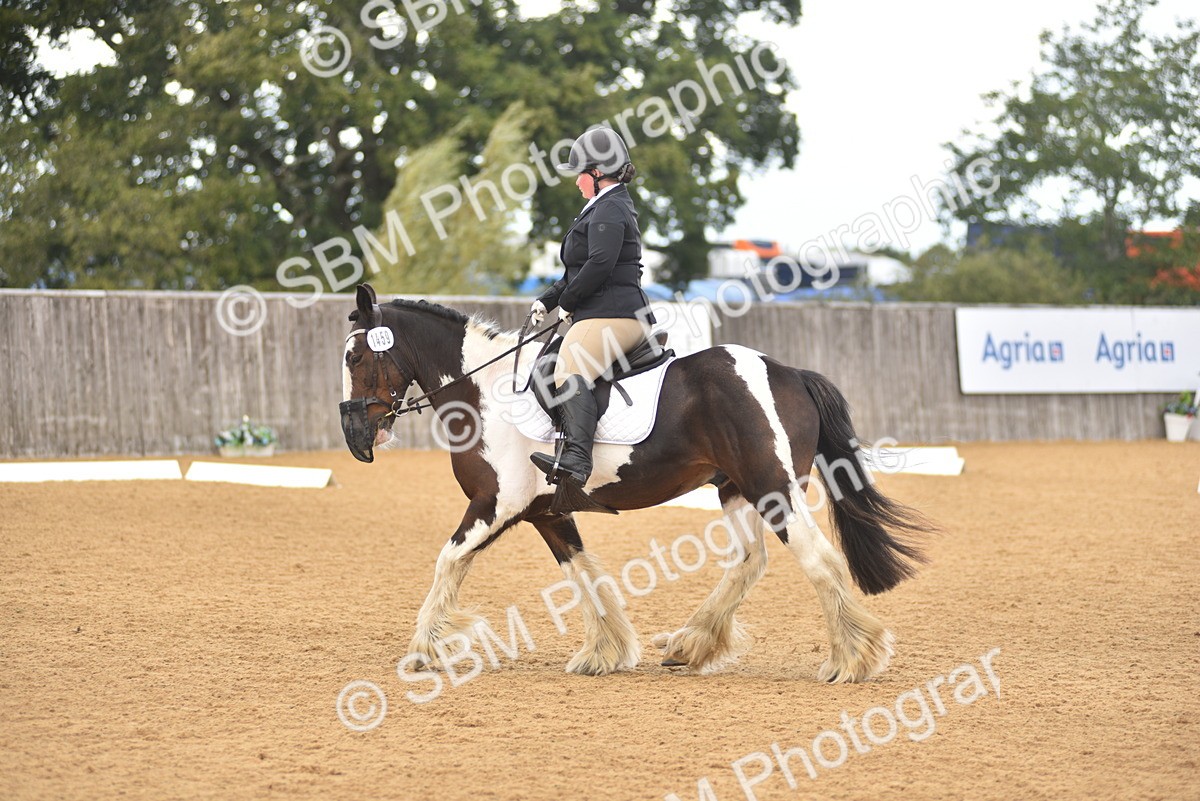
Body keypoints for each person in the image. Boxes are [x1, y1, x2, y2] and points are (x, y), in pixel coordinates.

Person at [528, 126, 656, 514]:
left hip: (617, 313)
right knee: (541, 369)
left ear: (598, 172)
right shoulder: (600, 207)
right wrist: (549, 300)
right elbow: (576, 270)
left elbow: (600, 264)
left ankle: (578, 463)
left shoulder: (611, 208)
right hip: (600, 311)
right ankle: (568, 440)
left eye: (580, 173)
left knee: (568, 369)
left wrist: (569, 301)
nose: (576, 181)